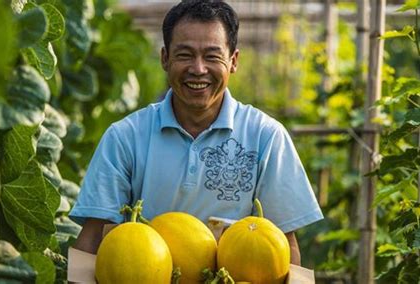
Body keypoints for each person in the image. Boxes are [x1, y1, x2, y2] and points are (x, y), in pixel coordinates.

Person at [70, 0, 323, 265]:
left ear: (233, 61)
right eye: (185, 55)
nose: (198, 69)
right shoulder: (124, 138)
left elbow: (285, 246)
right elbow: (92, 237)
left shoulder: (267, 137)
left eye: (212, 56)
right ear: (165, 58)